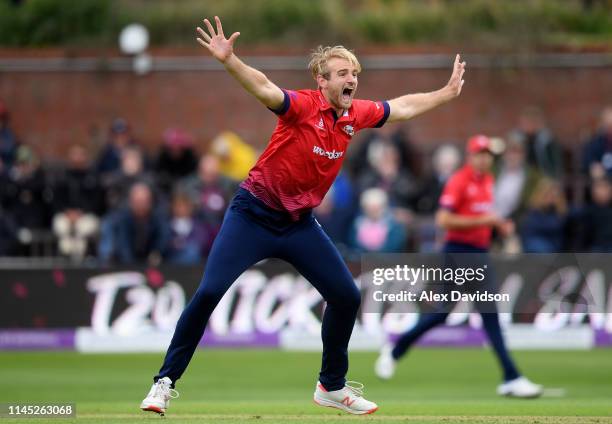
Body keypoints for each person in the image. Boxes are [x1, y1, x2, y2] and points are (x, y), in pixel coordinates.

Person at [141, 15, 466, 416]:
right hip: (252, 215)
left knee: (346, 296)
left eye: (355, 73)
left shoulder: (353, 115)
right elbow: (262, 86)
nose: (352, 79)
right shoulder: (301, 106)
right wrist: (229, 60)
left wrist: (445, 93)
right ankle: (164, 383)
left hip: (297, 225)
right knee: (208, 293)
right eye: (343, 73)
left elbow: (400, 107)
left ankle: (331, 386)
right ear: (322, 81)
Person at [374, 135, 543, 399]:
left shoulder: (488, 180)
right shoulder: (459, 181)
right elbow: (444, 219)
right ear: (471, 156)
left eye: (489, 154)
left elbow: (481, 217)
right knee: (444, 314)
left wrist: (497, 225)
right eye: (481, 153)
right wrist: (485, 220)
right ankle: (396, 348)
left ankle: (511, 376)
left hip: (479, 254)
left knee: (488, 316)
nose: (486, 158)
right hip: (457, 253)